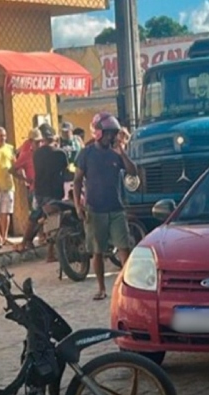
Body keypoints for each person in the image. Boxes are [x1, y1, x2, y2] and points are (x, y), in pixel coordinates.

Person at [73, 114, 138, 301]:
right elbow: (77, 180)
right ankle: (101, 288)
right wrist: (78, 205)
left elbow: (133, 172)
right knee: (97, 251)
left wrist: (122, 152)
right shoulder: (86, 154)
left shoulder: (116, 154)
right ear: (99, 133)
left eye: (113, 134)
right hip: (94, 209)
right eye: (109, 133)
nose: (111, 137)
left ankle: (128, 286)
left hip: (116, 208)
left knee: (124, 248)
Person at [15, 124, 69, 261]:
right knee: (52, 221)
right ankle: (50, 252)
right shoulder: (60, 153)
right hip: (54, 191)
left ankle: (25, 241)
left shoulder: (37, 154)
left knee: (37, 215)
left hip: (39, 190)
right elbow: (66, 171)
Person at [13, 128, 44, 210]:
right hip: (35, 189)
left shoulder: (44, 152)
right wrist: (25, 179)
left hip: (46, 188)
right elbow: (13, 169)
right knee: (36, 212)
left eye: (41, 141)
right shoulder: (26, 155)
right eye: (37, 142)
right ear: (30, 142)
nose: (40, 144)